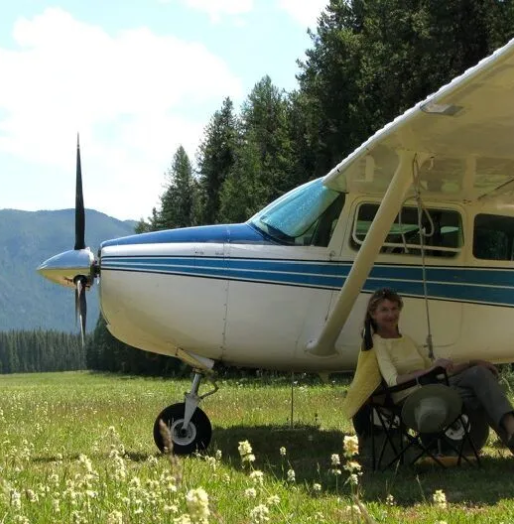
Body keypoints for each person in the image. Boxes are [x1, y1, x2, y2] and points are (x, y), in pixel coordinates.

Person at [363, 287, 514, 448]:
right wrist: (429, 371)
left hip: (432, 385)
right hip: (413, 397)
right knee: (480, 394)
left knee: (479, 373)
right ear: (373, 314)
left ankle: (511, 426)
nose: (391, 315)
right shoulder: (377, 343)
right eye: (384, 310)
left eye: (394, 309)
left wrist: (472, 363)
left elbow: (438, 372)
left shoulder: (406, 340)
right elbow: (393, 381)